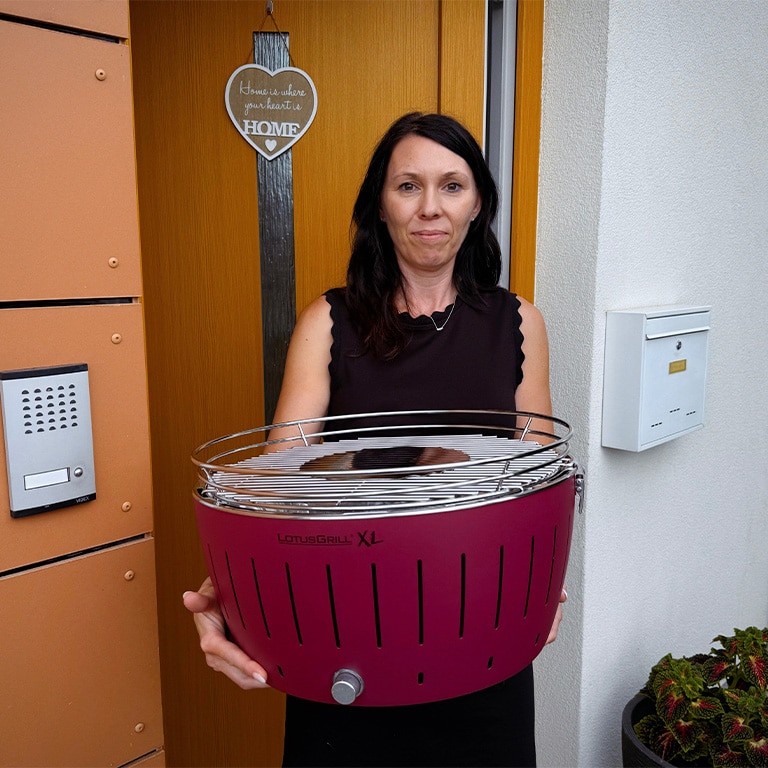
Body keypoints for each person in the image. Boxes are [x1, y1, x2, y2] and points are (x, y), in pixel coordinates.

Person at [184, 112, 567, 767]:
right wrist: (232, 590)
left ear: (478, 204)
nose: (430, 207)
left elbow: (537, 479)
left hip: (482, 632)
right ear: (380, 206)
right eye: (408, 186)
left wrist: (547, 583)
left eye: (452, 186)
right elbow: (278, 482)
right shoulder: (328, 321)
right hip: (343, 637)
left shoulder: (518, 322)